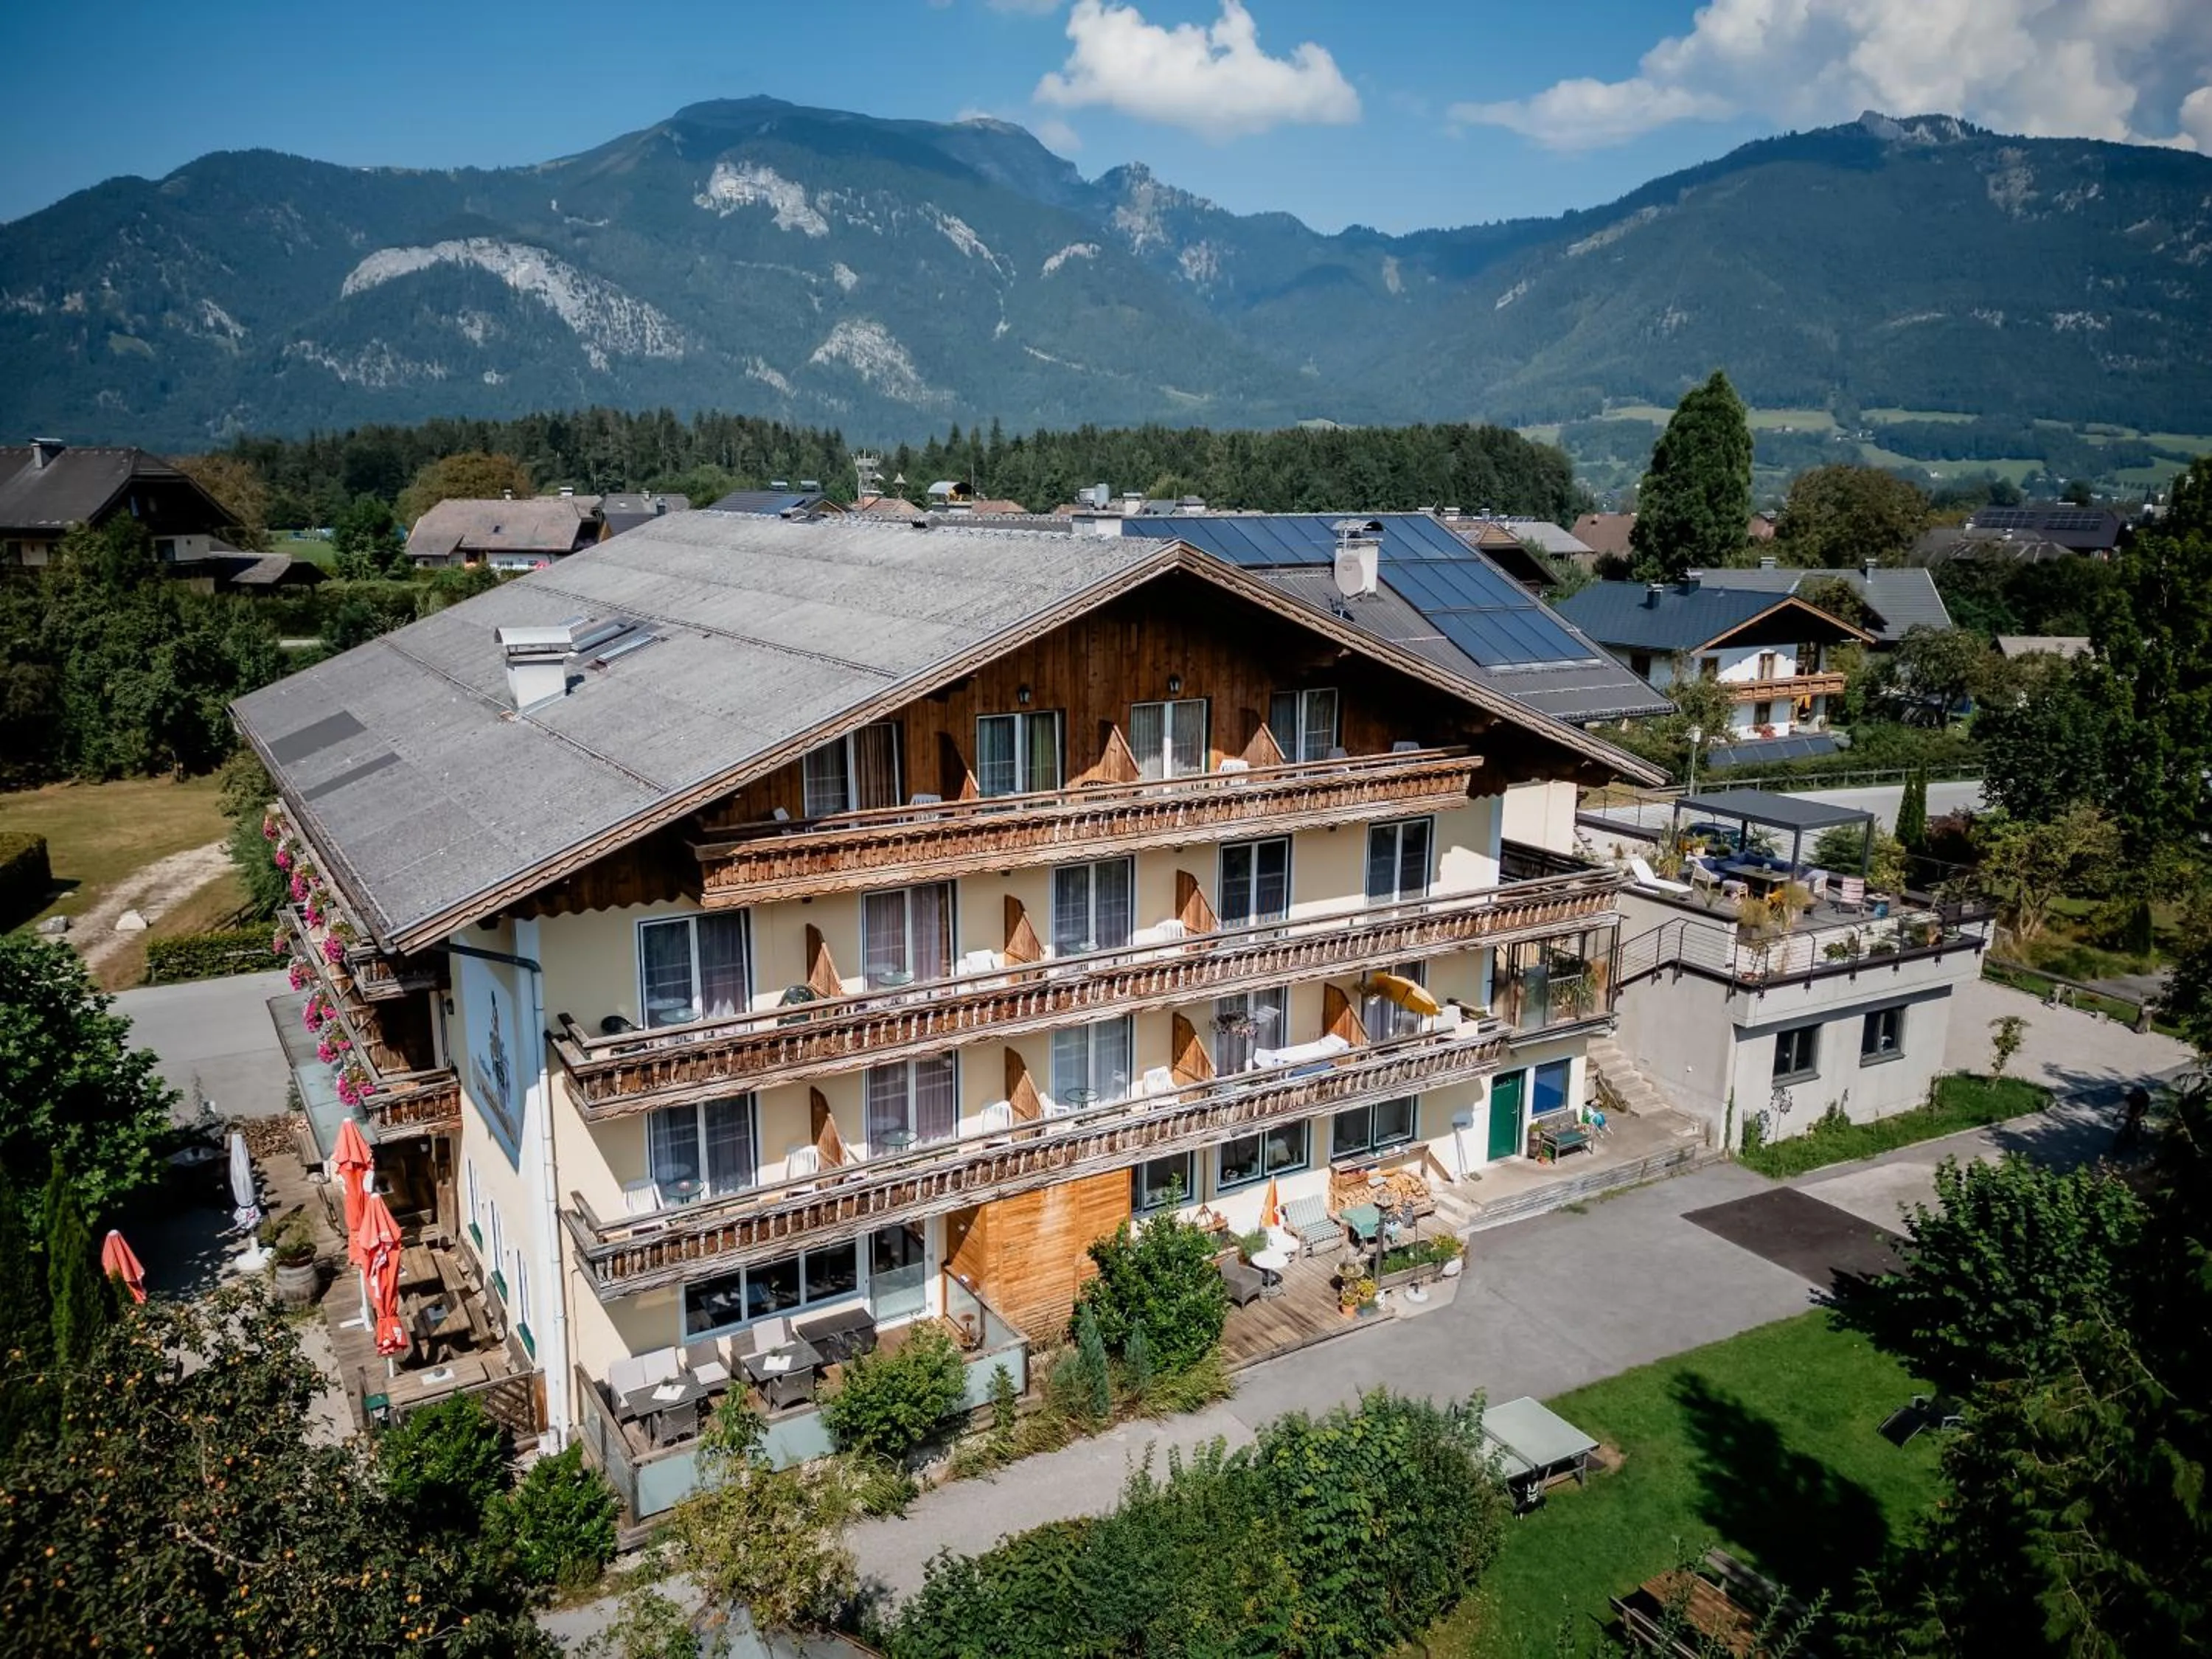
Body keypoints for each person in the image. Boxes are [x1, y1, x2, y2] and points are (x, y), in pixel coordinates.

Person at [2115, 1084, 2152, 1152]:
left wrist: (2136, 1117)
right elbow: (2125, 1105)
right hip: (2132, 1107)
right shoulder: (2130, 1096)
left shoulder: (2145, 1098)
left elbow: (2142, 1110)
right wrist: (2122, 1114)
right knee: (2128, 1121)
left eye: (2138, 1095)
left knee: (2137, 1127)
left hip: (2140, 1109)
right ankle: (2124, 1134)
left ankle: (2139, 1143)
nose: (2136, 1096)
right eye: (2135, 1094)